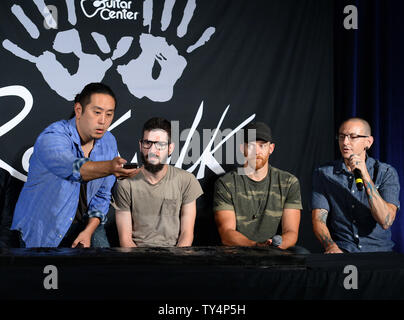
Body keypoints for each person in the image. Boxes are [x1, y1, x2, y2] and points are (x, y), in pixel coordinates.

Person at [11, 83, 138, 248]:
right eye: (97, 112)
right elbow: (74, 169)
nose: (103, 121)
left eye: (109, 114)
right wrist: (110, 168)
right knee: (47, 272)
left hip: (83, 225)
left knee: (106, 267)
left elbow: (102, 196)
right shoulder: (53, 137)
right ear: (79, 110)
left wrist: (88, 231)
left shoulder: (108, 142)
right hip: (43, 227)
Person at [213, 122, 307, 253]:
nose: (256, 151)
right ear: (242, 148)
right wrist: (256, 246)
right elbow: (227, 233)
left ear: (271, 148)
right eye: (251, 146)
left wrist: (275, 245)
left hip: (275, 250)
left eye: (262, 146)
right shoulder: (226, 183)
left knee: (301, 254)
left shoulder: (288, 182)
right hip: (239, 250)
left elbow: (291, 232)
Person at [311, 118, 400, 253]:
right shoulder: (324, 173)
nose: (345, 142)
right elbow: (319, 219)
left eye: (353, 137)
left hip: (379, 252)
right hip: (343, 250)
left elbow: (386, 221)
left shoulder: (386, 172)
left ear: (368, 142)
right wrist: (330, 246)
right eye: (342, 137)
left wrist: (365, 175)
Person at [112, 117, 203, 247]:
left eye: (160, 144)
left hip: (175, 256)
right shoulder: (126, 183)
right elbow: (125, 240)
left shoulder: (186, 180)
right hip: (137, 257)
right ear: (140, 145)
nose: (152, 151)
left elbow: (186, 234)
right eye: (147, 143)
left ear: (170, 148)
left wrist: (177, 262)